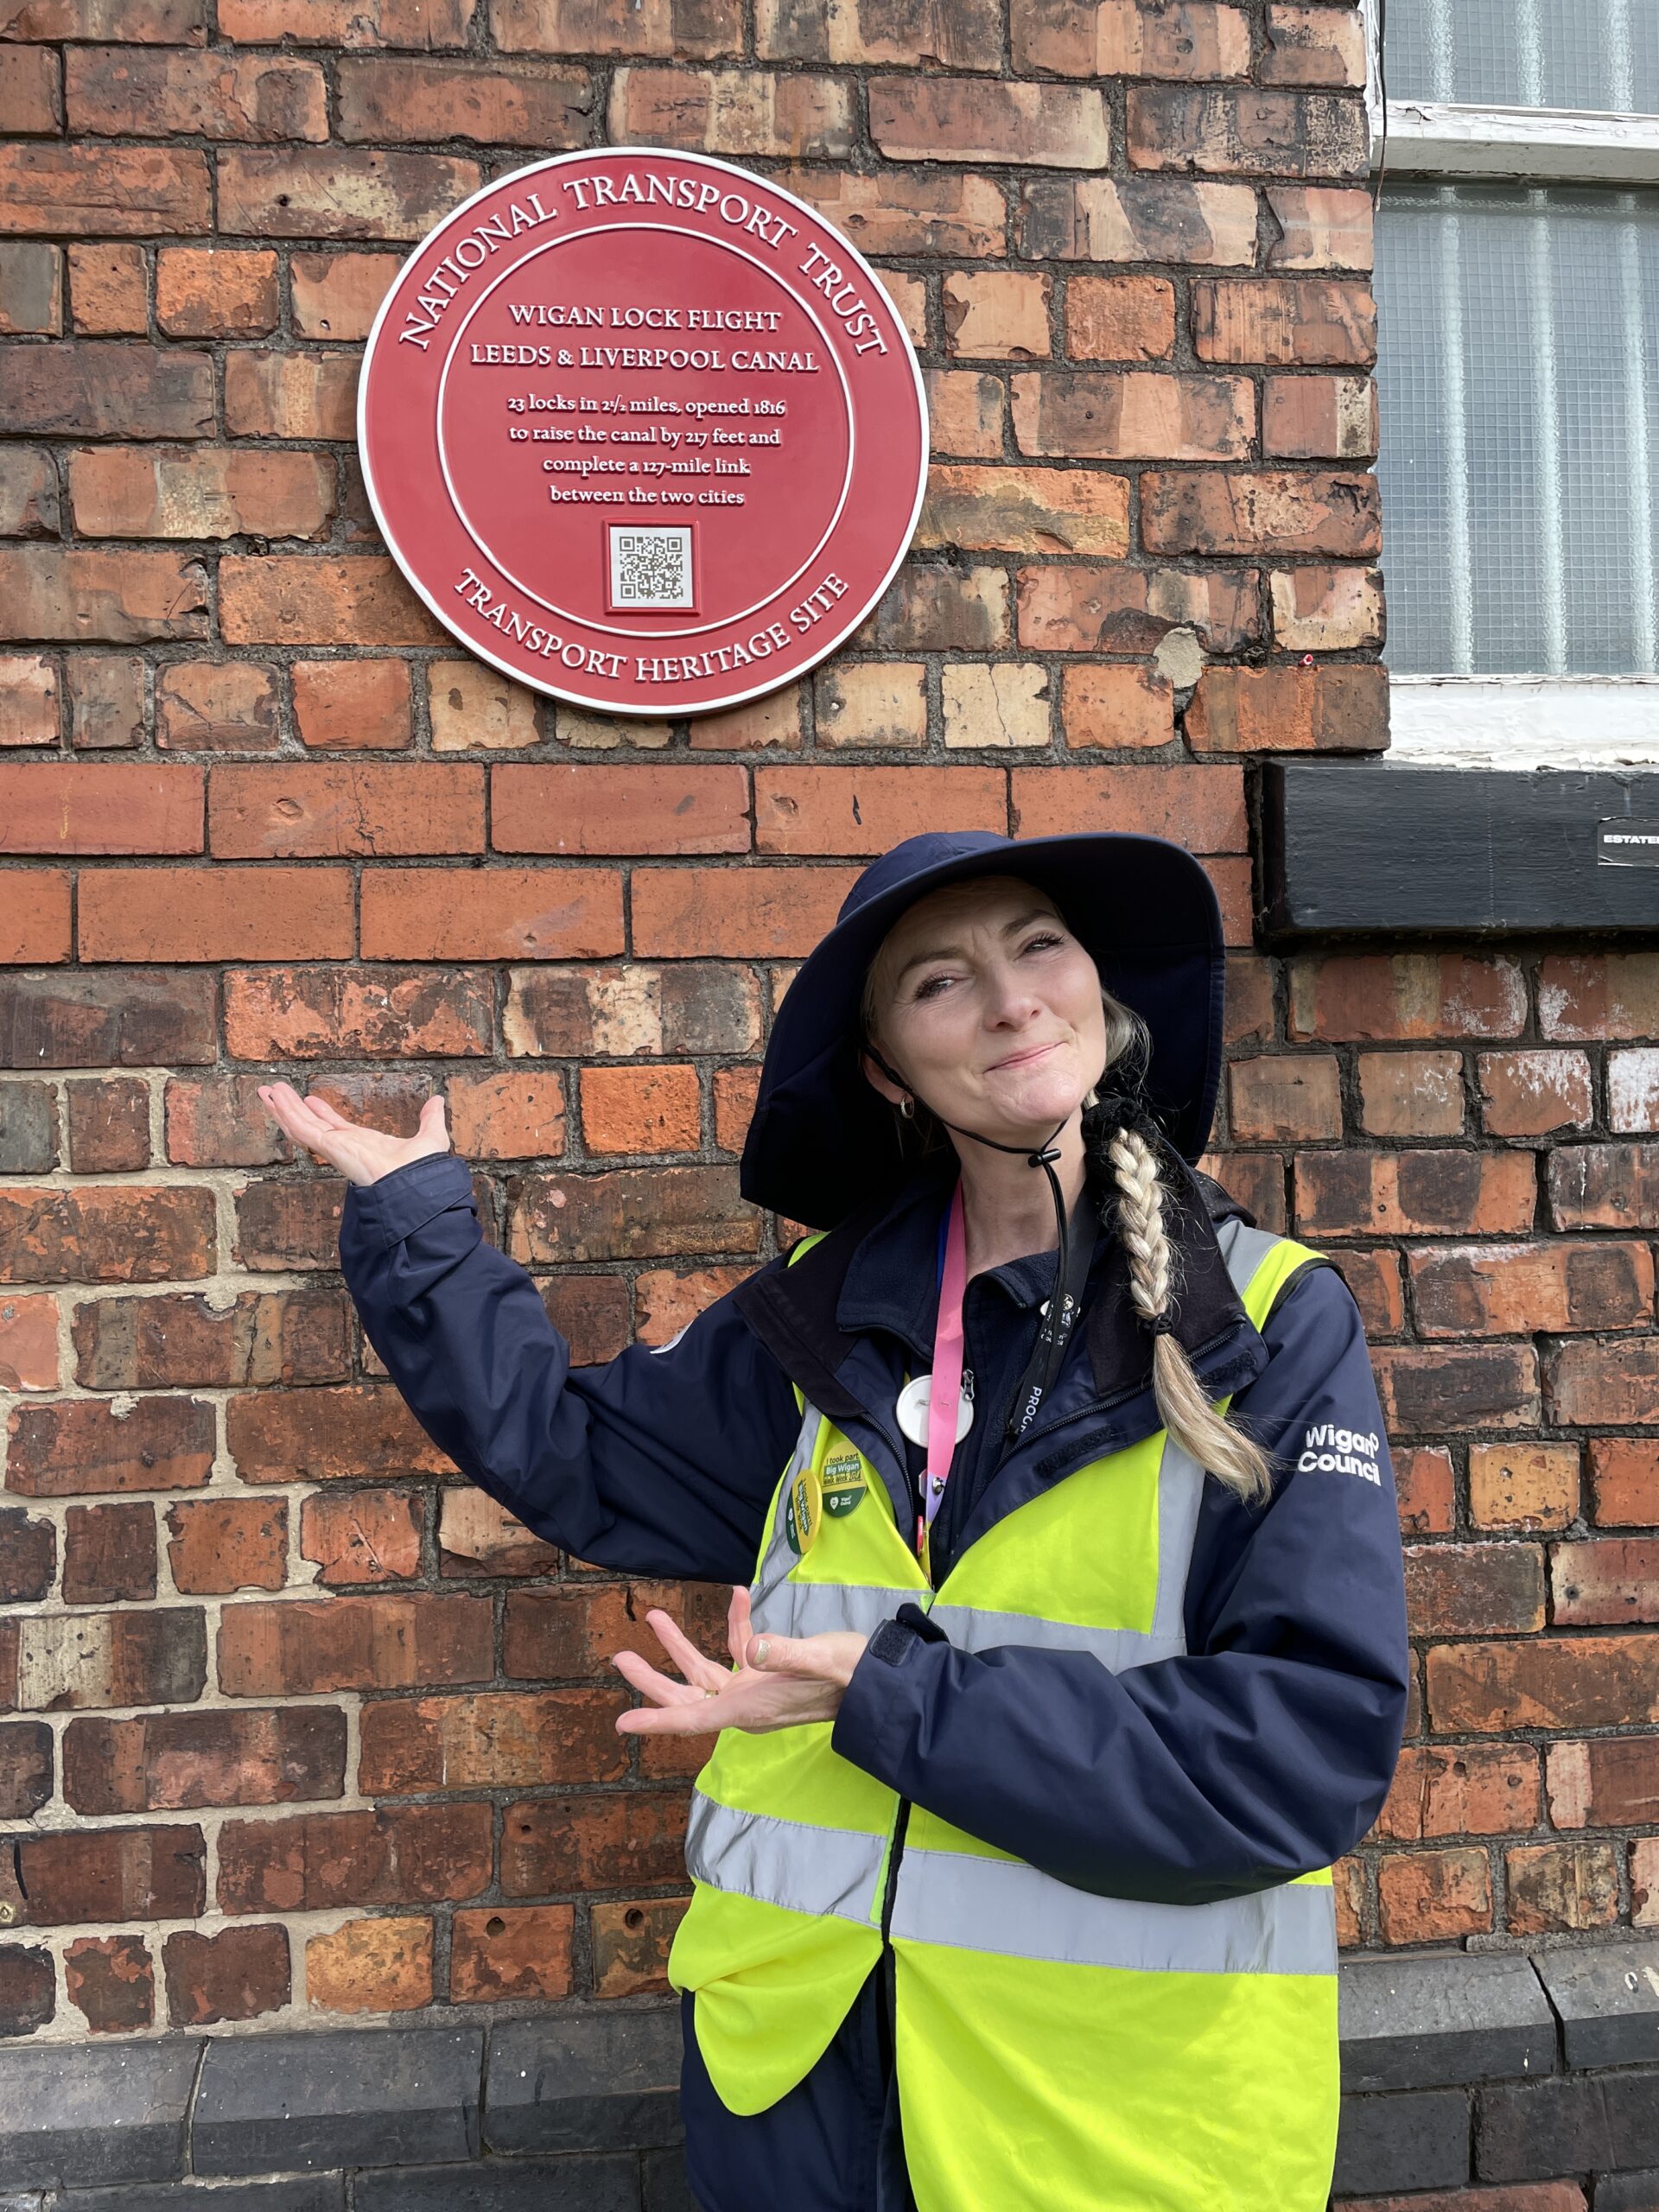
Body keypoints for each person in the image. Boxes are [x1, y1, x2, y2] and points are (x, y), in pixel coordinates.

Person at [257, 828, 1410, 2212]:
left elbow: (1301, 1753)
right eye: (938, 982)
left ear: (1102, 993)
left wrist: (897, 1700)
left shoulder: (1270, 1320)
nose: (1009, 999)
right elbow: (574, 1455)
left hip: (1104, 2127)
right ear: (886, 1070)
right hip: (798, 2097)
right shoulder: (828, 1312)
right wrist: (419, 1227)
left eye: (1040, 944)